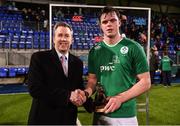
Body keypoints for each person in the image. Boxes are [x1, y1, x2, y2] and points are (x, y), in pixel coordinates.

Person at [74, 6, 151, 125]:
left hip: (126, 116)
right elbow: (92, 81)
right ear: (100, 25)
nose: (109, 24)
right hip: (101, 113)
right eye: (105, 22)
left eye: (112, 20)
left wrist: (120, 98)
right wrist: (86, 93)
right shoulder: (95, 51)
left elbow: (145, 82)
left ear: (119, 22)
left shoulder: (134, 47)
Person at [27, 22, 88, 125]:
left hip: (68, 120)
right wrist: (68, 95)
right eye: (60, 35)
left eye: (67, 36)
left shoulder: (78, 63)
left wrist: (92, 104)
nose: (63, 39)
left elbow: (79, 88)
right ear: (53, 39)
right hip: (43, 120)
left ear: (71, 40)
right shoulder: (39, 58)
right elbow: (35, 88)